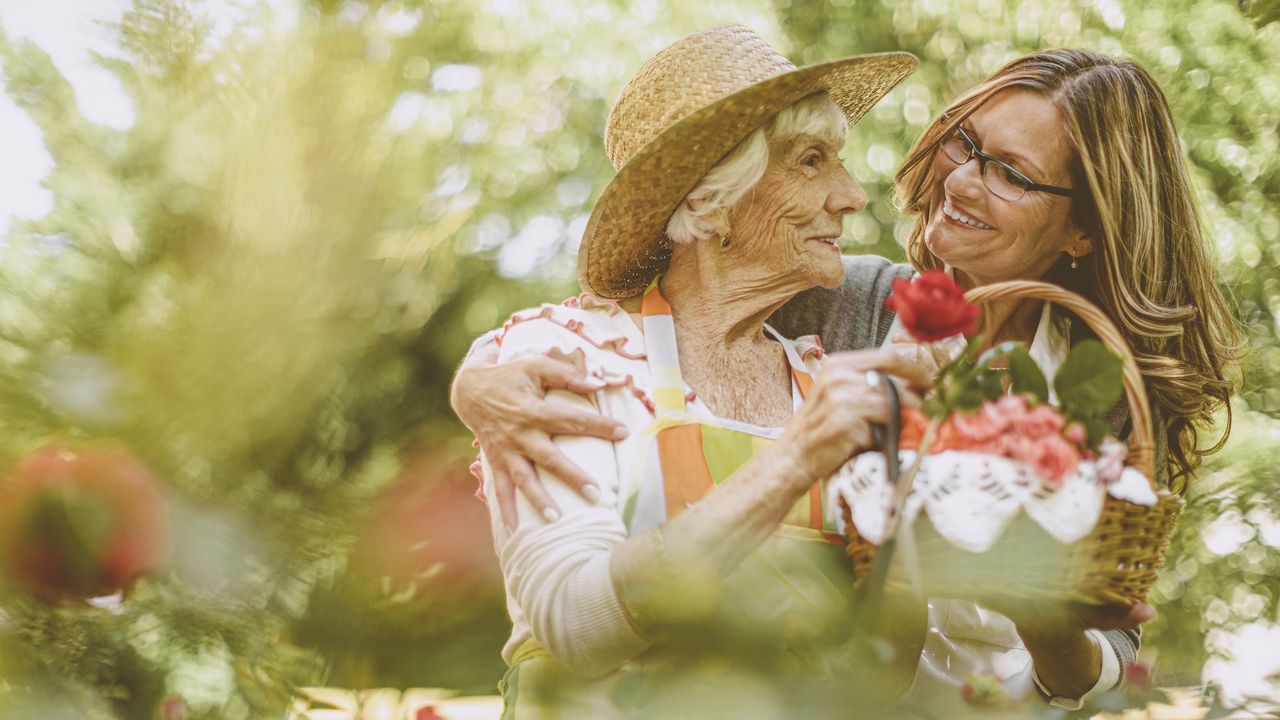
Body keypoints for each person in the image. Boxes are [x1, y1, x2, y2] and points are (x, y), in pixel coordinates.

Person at [453, 47, 1242, 712]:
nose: (961, 180)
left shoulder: (1109, 388)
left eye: (1011, 173)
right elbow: (652, 313)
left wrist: (1043, 614)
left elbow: (1102, 667)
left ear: (1081, 229)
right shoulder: (842, 309)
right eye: (963, 143)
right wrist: (478, 379)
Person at [466, 25, 926, 718]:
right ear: (715, 200)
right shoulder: (569, 353)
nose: (852, 195)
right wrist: (798, 459)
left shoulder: (817, 376)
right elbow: (575, 624)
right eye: (811, 161)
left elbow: (881, 670)